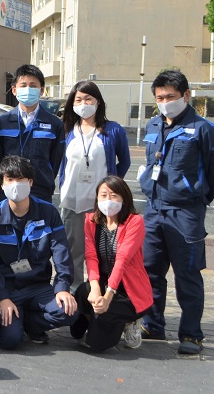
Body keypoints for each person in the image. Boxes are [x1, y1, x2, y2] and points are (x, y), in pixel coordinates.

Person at [138, 69, 214, 355]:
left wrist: (199, 194)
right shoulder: (153, 125)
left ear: (186, 96)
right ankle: (153, 325)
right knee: (151, 270)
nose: (165, 102)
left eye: (171, 96)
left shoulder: (204, 129)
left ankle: (191, 334)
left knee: (188, 274)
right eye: (160, 97)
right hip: (154, 210)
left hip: (186, 213)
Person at [0, 155, 78, 349]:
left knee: (69, 311)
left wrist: (62, 288)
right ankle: (14, 319)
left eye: (21, 179)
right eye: (10, 179)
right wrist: (2, 297)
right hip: (8, 288)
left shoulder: (48, 213)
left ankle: (31, 323)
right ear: (1, 184)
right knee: (10, 340)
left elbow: (62, 254)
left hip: (37, 286)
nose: (15, 184)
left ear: (31, 182)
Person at [57, 81, 131, 290]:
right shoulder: (67, 130)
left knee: (102, 252)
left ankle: (103, 296)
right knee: (74, 252)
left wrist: (112, 188)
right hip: (72, 202)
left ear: (98, 101)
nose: (83, 103)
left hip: (101, 206)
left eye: (88, 98)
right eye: (78, 99)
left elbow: (124, 161)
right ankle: (76, 297)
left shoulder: (113, 130)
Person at [70, 175, 152, 352]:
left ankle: (130, 321)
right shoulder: (91, 221)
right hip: (103, 285)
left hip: (128, 292)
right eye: (104, 195)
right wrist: (95, 288)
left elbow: (122, 260)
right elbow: (91, 257)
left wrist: (107, 297)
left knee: (96, 344)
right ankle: (97, 319)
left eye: (114, 195)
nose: (108, 200)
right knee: (82, 294)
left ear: (124, 198)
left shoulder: (134, 222)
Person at [0, 64, 65, 202]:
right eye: (23, 85)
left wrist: (44, 177)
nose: (28, 89)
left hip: (40, 190)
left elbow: (55, 161)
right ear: (14, 90)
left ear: (42, 90)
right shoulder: (3, 122)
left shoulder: (54, 124)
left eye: (33, 85)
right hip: (10, 189)